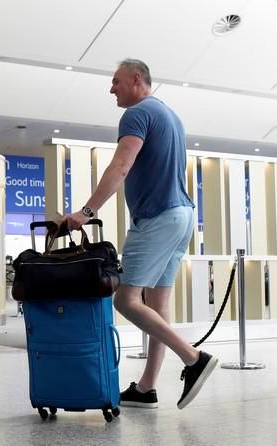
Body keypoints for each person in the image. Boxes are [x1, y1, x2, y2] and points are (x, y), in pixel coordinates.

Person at [59, 59, 218, 410]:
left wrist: (85, 213)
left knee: (125, 299)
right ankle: (146, 388)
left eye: (115, 81)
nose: (111, 88)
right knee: (158, 307)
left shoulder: (136, 114)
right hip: (183, 215)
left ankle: (194, 359)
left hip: (158, 218)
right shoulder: (170, 115)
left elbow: (121, 165)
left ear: (136, 79)